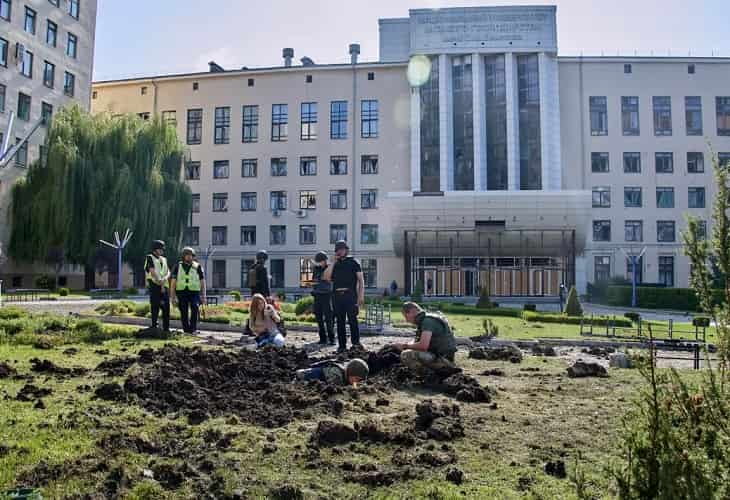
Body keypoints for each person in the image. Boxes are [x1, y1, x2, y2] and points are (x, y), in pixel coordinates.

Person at [392, 302, 458, 377]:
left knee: (406, 355)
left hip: (443, 358)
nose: (407, 320)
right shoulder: (426, 319)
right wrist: (405, 344)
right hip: (443, 355)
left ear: (413, 311)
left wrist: (404, 346)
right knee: (409, 351)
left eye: (406, 316)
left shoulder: (427, 321)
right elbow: (417, 341)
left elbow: (423, 346)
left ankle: (430, 376)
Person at [323, 240, 364, 353]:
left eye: (342, 249)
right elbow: (326, 277)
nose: (340, 251)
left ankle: (356, 344)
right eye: (338, 250)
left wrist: (361, 296)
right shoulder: (334, 265)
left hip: (350, 296)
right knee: (340, 321)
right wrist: (332, 263)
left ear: (346, 250)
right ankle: (342, 346)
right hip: (337, 296)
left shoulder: (354, 262)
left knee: (352, 320)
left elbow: (361, 280)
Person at [170, 247, 207, 334]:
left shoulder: (198, 267)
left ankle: (193, 329)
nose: (189, 257)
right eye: (187, 255)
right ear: (183, 256)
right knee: (184, 311)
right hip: (182, 292)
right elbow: (173, 282)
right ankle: (186, 330)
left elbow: (202, 282)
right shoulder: (177, 267)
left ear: (193, 256)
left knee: (195, 307)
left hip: (194, 292)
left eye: (191, 255)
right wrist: (172, 297)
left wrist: (204, 296)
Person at [144, 240, 171, 332]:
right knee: (155, 306)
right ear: (155, 249)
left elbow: (168, 271)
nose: (162, 251)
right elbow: (152, 271)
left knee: (166, 307)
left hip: (165, 285)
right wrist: (160, 281)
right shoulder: (150, 258)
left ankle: (166, 328)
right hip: (155, 285)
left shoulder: (164, 259)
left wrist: (165, 279)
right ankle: (154, 325)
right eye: (160, 249)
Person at [312, 251, 335, 345]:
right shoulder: (316, 269)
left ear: (325, 260)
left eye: (320, 261)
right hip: (317, 295)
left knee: (329, 319)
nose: (319, 263)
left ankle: (332, 339)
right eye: (318, 261)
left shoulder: (330, 268)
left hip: (327, 295)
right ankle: (322, 338)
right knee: (319, 318)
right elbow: (314, 280)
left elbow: (328, 280)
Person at [295, 358, 369, 386]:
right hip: (304, 377)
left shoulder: (346, 374)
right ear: (350, 373)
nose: (357, 382)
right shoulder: (336, 375)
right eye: (357, 379)